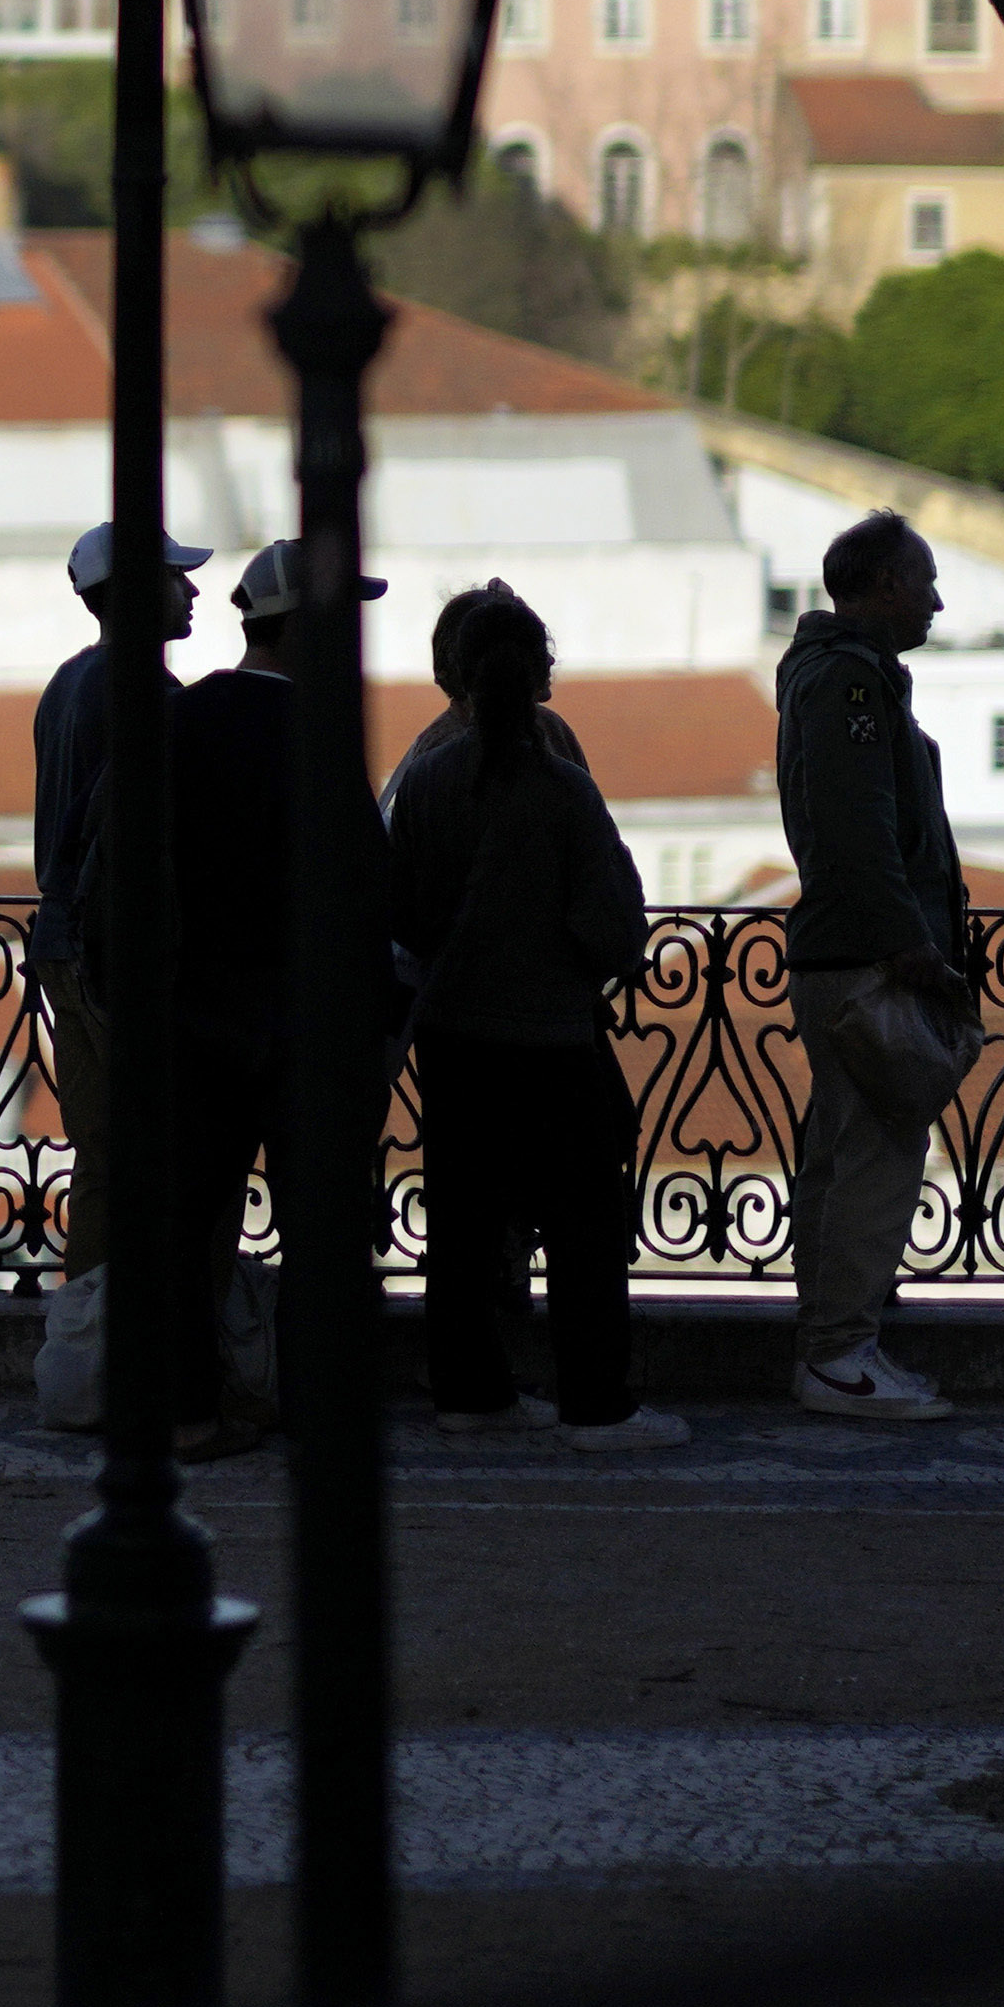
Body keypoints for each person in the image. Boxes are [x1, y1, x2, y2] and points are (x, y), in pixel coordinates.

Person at [386, 580, 678, 1450]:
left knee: (463, 1220)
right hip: (552, 1035)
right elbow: (616, 927)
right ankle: (596, 1401)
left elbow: (400, 910)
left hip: (452, 1035)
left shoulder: (429, 779)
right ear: (541, 677)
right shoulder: (563, 789)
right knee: (586, 1225)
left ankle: (471, 1393)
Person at [134, 534, 355, 1457]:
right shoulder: (320, 736)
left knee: (185, 1230)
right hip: (303, 1023)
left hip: (195, 1018)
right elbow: (360, 890)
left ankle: (185, 1411)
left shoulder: (182, 723)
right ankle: (316, 1411)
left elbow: (133, 873)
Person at [778, 513, 978, 1424]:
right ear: (883, 586)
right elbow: (860, 834)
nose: (935, 600)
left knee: (844, 1152)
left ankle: (831, 1340)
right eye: (924, 580)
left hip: (846, 952)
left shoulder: (832, 678)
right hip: (866, 959)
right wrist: (913, 948)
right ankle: (840, 1355)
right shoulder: (849, 686)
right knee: (876, 1154)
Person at [28, 517, 209, 1313]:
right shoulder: (151, 693)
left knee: (100, 1155)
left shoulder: (66, 684)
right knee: (159, 1151)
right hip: (115, 949)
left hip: (61, 940)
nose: (193, 589)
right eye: (176, 576)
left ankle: (87, 1339)